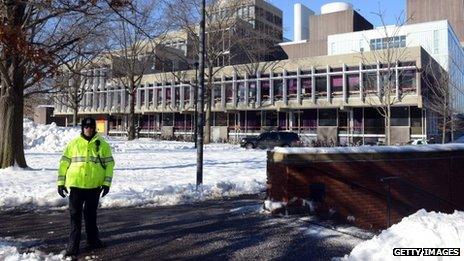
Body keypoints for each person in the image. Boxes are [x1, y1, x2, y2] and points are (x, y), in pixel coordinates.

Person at [57, 117, 115, 257]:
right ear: (82, 128)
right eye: (86, 127)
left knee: (91, 217)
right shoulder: (73, 144)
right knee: (75, 218)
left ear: (95, 128)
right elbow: (64, 163)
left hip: (94, 187)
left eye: (91, 127)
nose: (88, 129)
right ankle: (73, 247)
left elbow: (109, 165)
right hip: (76, 186)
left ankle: (93, 241)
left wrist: (106, 184)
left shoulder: (102, 144)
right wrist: (61, 183)